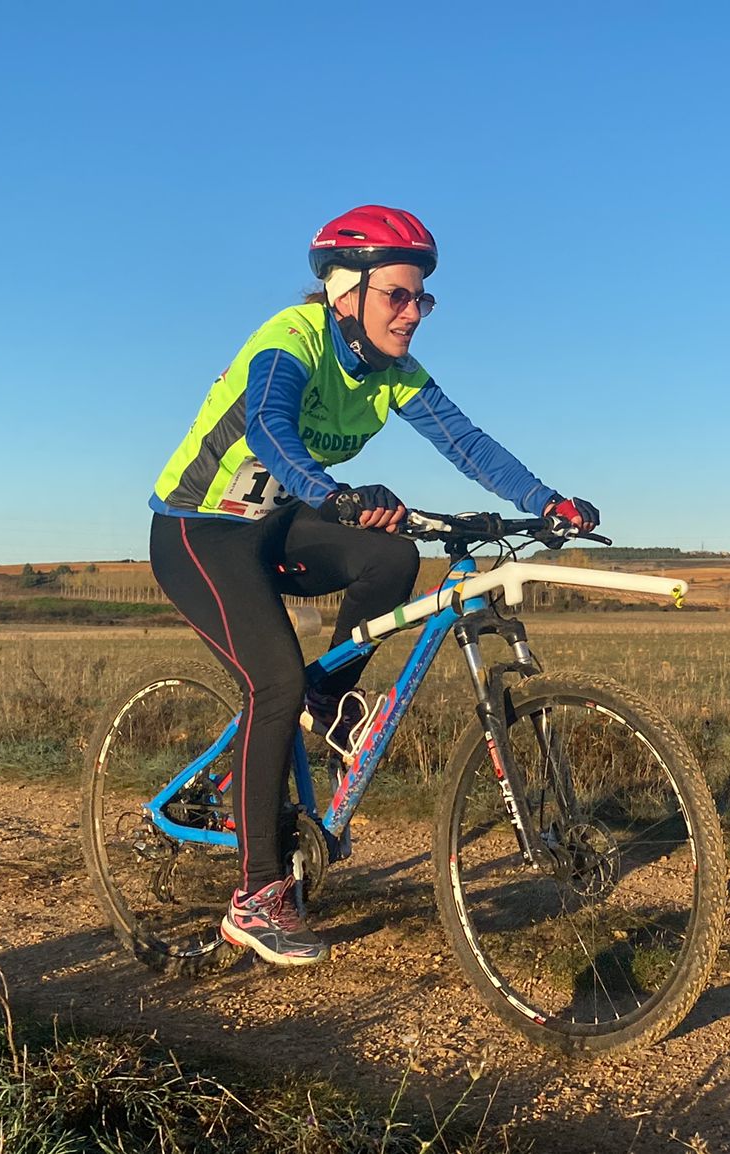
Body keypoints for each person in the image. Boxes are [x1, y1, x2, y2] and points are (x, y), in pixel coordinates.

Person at [146, 205, 599, 965]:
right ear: (343, 291)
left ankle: (327, 703)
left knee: (390, 560)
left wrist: (545, 501)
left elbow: (467, 442)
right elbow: (269, 427)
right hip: (200, 530)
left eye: (424, 298)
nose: (415, 312)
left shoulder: (395, 374)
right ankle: (255, 897)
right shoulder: (291, 340)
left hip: (281, 521)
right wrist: (333, 494)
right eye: (399, 294)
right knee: (274, 681)